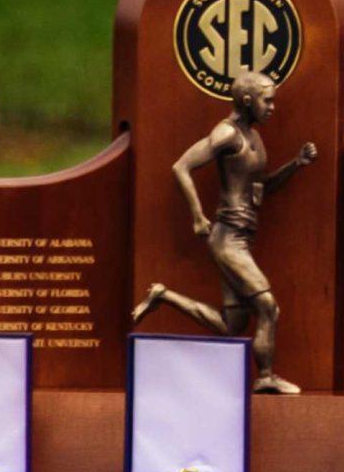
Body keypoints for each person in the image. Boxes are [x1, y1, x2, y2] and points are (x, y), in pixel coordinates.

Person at [131, 69, 317, 395]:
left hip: (241, 237)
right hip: (228, 239)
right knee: (268, 307)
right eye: (267, 100)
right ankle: (266, 377)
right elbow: (181, 166)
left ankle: (163, 295)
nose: (272, 107)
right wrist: (197, 216)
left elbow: (262, 187)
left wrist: (296, 164)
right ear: (247, 100)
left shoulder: (254, 136)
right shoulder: (227, 134)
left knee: (232, 327)